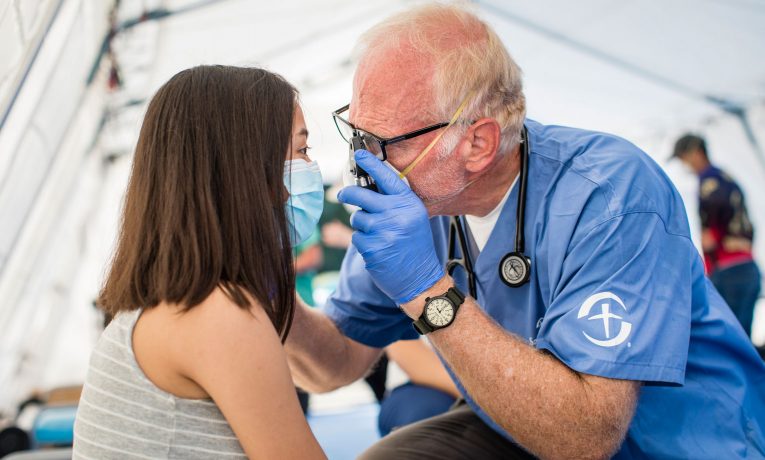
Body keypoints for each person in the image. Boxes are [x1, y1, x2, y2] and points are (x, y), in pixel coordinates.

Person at [284, 4, 765, 459]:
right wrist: (266, 288)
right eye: (356, 135)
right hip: (518, 425)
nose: (362, 164)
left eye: (381, 143)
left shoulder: (611, 195)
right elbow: (335, 364)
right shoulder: (418, 207)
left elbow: (586, 438)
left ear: (477, 143)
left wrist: (427, 292)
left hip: (671, 439)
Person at [73, 65, 326, 459]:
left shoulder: (166, 302)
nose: (310, 169)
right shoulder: (219, 314)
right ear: (242, 169)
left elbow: (335, 360)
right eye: (301, 151)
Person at [673, 133, 762, 338]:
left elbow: (712, 228)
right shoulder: (726, 177)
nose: (684, 164)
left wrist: (711, 241)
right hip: (747, 267)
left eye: (683, 158)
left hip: (728, 270)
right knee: (744, 341)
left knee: (726, 341)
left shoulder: (709, 182)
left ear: (695, 153)